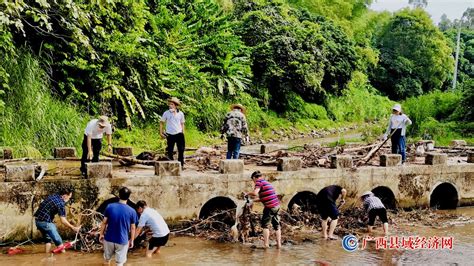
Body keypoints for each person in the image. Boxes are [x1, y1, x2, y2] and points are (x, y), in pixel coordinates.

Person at [34, 187, 80, 253]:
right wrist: (73, 228)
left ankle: (46, 256)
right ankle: (64, 259)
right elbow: (63, 220)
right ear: (64, 196)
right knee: (59, 242)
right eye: (69, 197)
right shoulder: (60, 203)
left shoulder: (54, 196)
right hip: (45, 223)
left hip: (38, 221)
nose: (69, 199)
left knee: (48, 240)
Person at [99, 187, 138, 266]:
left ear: (119, 195)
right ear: (128, 197)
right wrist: (132, 240)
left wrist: (101, 234)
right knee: (119, 263)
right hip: (122, 241)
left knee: (107, 260)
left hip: (109, 239)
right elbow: (133, 228)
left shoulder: (110, 206)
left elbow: (104, 223)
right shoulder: (132, 211)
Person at [245, 171, 281, 249]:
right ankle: (279, 245)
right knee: (276, 226)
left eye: (253, 180)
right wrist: (252, 201)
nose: (254, 182)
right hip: (276, 205)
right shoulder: (266, 183)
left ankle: (266, 244)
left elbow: (255, 193)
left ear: (254, 177)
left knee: (265, 225)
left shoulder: (258, 182)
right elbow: (263, 198)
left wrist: (247, 193)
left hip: (270, 207)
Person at [160, 97, 185, 166]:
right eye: (169, 104)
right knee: (170, 150)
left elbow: (182, 123)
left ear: (176, 106)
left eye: (172, 104)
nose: (170, 106)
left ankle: (181, 165)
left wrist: (183, 132)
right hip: (170, 134)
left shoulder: (181, 114)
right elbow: (161, 122)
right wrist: (161, 132)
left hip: (179, 134)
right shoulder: (166, 113)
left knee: (181, 150)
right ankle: (171, 164)